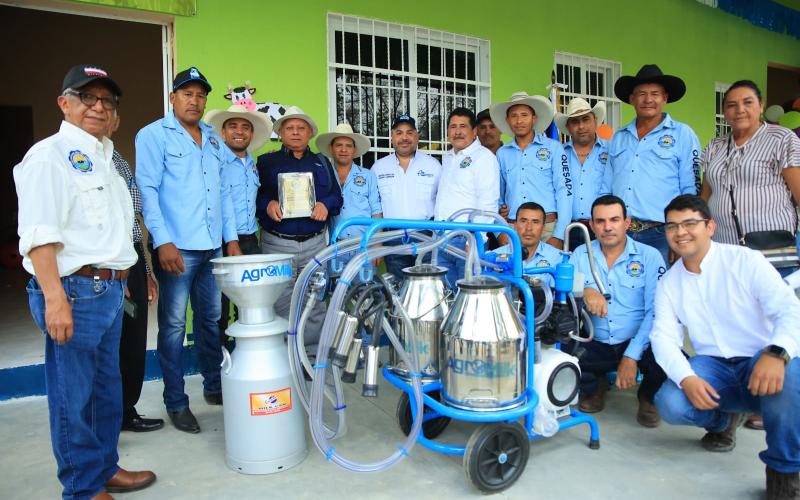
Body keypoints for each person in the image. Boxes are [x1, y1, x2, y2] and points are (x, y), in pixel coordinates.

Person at [15, 64, 156, 499]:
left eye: (107, 101)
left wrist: (124, 275)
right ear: (65, 103)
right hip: (73, 290)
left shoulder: (107, 159)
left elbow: (114, 228)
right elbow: (40, 233)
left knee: (105, 392)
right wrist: (55, 298)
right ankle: (81, 488)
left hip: (109, 289)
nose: (98, 107)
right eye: (87, 98)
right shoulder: (49, 156)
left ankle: (103, 468)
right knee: (72, 398)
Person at [651, 195, 800, 500]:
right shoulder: (670, 283)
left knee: (792, 374)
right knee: (670, 401)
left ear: (710, 226)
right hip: (714, 366)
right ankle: (723, 421)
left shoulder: (744, 260)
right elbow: (663, 337)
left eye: (690, 223)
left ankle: (785, 472)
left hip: (760, 361)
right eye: (672, 226)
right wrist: (687, 377)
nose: (681, 233)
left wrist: (778, 352)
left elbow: (789, 310)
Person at [136, 67, 241, 434]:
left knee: (211, 321)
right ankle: (176, 402)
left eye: (200, 95)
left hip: (213, 248)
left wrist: (232, 240)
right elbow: (147, 190)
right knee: (174, 326)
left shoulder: (213, 140)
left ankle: (214, 387)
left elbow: (224, 192)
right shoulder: (153, 135)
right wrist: (162, 241)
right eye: (187, 93)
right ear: (173, 98)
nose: (194, 100)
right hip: (177, 249)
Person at [566, 195, 667, 427]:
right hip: (597, 338)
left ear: (627, 222)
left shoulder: (649, 256)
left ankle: (647, 397)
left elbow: (657, 311)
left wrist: (632, 355)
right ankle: (595, 386)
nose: (607, 227)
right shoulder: (581, 254)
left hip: (637, 341)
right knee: (564, 351)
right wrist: (586, 290)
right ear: (591, 225)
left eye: (614, 219)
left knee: (667, 354)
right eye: (600, 221)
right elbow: (565, 287)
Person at [256, 106, 342, 351]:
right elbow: (253, 197)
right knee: (281, 300)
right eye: (290, 128)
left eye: (301, 128)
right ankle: (284, 357)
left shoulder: (322, 163)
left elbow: (337, 197)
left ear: (310, 133)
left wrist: (326, 204)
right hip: (277, 243)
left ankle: (311, 355)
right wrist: (268, 203)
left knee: (314, 299)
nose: (295, 133)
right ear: (280, 133)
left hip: (315, 242)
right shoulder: (266, 162)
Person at [608, 64, 701, 263]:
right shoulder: (619, 137)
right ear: (632, 99)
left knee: (662, 291)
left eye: (655, 94)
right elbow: (606, 185)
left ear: (665, 98)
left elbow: (690, 189)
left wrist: (682, 235)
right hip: (621, 233)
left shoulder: (683, 135)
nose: (648, 99)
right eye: (641, 94)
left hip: (662, 234)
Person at [106, 115, 163, 433]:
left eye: (112, 111)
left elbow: (133, 224)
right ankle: (106, 421)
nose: (104, 116)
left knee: (133, 339)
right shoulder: (72, 159)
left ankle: (127, 410)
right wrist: (119, 271)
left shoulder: (118, 160)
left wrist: (145, 271)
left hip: (132, 257)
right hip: (107, 267)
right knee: (107, 349)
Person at [206, 104, 272, 348]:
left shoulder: (253, 165)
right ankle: (222, 365)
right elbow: (220, 204)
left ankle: (245, 354)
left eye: (245, 127)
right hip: (225, 242)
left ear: (251, 134)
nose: (239, 131)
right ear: (223, 132)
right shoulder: (217, 162)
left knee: (249, 305)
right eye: (233, 126)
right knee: (219, 309)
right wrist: (231, 240)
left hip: (250, 240)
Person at [492, 91, 571, 249]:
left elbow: (565, 190)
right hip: (513, 229)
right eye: (514, 115)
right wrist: (499, 232)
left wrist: (559, 234)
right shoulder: (502, 153)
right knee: (512, 273)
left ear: (534, 119)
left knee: (547, 273)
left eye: (524, 115)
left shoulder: (554, 148)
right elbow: (495, 196)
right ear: (507, 120)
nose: (519, 120)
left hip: (548, 229)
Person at [434, 107, 500, 287]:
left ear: (474, 131)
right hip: (441, 239)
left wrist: (476, 238)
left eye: (463, 126)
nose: (457, 131)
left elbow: (488, 201)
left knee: (468, 299)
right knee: (445, 297)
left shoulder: (483, 157)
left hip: (467, 240)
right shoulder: (448, 157)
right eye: (453, 126)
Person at [372, 115, 441, 279]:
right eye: (399, 133)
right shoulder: (378, 168)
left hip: (426, 237)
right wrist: (377, 243)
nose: (404, 137)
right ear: (392, 137)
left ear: (417, 137)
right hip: (392, 238)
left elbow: (443, 203)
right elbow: (375, 208)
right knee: (399, 291)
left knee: (426, 288)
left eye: (409, 132)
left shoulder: (434, 165)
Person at [554, 98, 610, 251]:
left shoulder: (611, 151)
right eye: (575, 122)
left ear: (595, 120)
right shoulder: (558, 153)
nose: (581, 126)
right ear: (568, 127)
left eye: (586, 119)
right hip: (566, 228)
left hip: (603, 228)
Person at [315, 122, 382, 251]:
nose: (343, 150)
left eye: (348, 146)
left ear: (354, 149)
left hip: (364, 244)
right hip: (333, 246)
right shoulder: (323, 175)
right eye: (339, 145)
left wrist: (377, 245)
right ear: (331, 148)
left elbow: (377, 212)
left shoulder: (368, 176)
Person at [489, 202, 564, 287]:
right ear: (515, 226)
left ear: (543, 228)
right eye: (523, 221)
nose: (529, 228)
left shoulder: (557, 258)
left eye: (535, 222)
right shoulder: (494, 256)